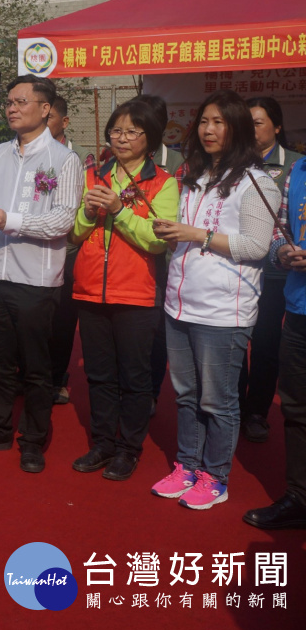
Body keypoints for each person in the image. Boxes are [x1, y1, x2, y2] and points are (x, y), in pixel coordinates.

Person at [150, 90, 279, 511]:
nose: (208, 129)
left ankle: (215, 475)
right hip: (180, 302)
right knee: (185, 393)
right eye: (204, 121)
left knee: (218, 399)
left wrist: (196, 235)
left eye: (219, 122)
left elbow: (257, 246)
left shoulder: (257, 182)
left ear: (238, 128)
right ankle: (187, 465)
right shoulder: (195, 177)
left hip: (224, 311)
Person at [0, 74, 83, 474]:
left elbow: (62, 221)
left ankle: (33, 438)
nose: (12, 108)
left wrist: (7, 218)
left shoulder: (65, 161)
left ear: (46, 109)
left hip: (36, 278)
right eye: (9, 102)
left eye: (21, 101)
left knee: (35, 365)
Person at [68, 100, 178, 481]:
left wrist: (119, 210)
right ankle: (102, 443)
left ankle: (129, 448)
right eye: (116, 131)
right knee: (98, 375)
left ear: (150, 139)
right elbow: (76, 232)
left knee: (134, 378)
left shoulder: (163, 182)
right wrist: (90, 211)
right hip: (89, 290)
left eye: (133, 131)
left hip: (136, 294)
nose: (122, 138)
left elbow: (157, 241)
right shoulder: (95, 175)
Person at [244, 154, 306, 529]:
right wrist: (281, 251)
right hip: (298, 309)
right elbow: (280, 228)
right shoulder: (297, 171)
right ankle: (299, 496)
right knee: (297, 409)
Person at [238, 97, 304, 443]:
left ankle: (256, 412)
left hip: (278, 275)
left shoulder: (295, 166)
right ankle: (233, 407)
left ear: (277, 127)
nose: (251, 129)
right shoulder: (234, 164)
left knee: (266, 343)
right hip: (237, 267)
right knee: (234, 342)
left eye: (259, 122)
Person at [46, 94, 97, 406]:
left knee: (63, 319)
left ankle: (55, 378)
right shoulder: (20, 153)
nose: (41, 123)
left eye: (48, 117)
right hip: (30, 248)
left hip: (68, 249)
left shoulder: (81, 158)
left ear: (64, 122)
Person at [138, 94, 183, 418]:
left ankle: (150, 391)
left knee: (156, 334)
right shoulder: (114, 160)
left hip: (165, 260)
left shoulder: (180, 163)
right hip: (129, 258)